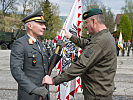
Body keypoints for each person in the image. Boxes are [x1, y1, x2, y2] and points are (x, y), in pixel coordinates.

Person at [42, 8, 117, 100]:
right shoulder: (104, 37)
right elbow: (88, 44)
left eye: (86, 22)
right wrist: (70, 37)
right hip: (101, 92)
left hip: (96, 95)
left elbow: (80, 65)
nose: (85, 26)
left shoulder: (100, 41)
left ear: (94, 21)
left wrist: (54, 80)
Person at [10, 9, 61, 100]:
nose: (44, 27)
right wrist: (33, 89)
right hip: (29, 95)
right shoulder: (20, 44)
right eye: (40, 24)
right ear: (30, 26)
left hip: (43, 93)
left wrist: (58, 51)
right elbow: (16, 70)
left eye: (44, 24)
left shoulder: (40, 44)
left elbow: (47, 66)